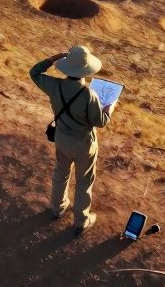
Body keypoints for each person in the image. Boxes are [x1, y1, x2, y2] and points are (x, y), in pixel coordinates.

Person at [30, 45, 113, 235]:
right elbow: (100, 122)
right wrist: (108, 109)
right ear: (86, 70)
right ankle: (81, 220)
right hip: (84, 144)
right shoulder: (88, 94)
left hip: (62, 139)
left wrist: (55, 57)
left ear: (67, 67)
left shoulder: (54, 85)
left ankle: (57, 209)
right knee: (84, 181)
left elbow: (34, 72)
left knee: (61, 173)